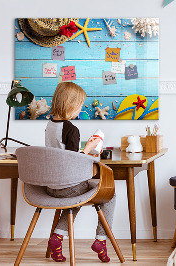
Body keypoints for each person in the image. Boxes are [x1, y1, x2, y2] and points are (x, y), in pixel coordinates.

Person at [45, 82, 115, 263]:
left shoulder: (50, 125)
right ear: (70, 104)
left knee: (76, 197)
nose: (81, 109)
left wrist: (84, 150)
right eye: (80, 105)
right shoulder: (71, 129)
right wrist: (90, 148)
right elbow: (73, 161)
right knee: (110, 194)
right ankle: (101, 240)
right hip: (68, 186)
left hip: (51, 186)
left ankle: (57, 238)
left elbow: (62, 154)